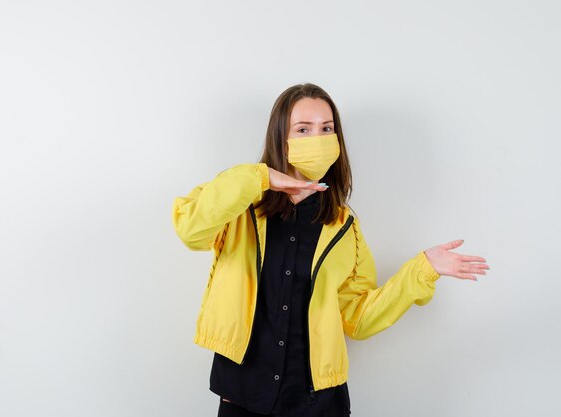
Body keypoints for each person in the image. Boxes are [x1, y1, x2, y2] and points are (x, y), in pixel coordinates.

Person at [171, 83, 489, 417]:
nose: (317, 139)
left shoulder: (344, 226)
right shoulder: (238, 202)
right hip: (243, 394)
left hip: (318, 403)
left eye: (327, 129)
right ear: (281, 137)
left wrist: (423, 269)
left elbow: (359, 319)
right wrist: (259, 178)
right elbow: (190, 230)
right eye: (303, 129)